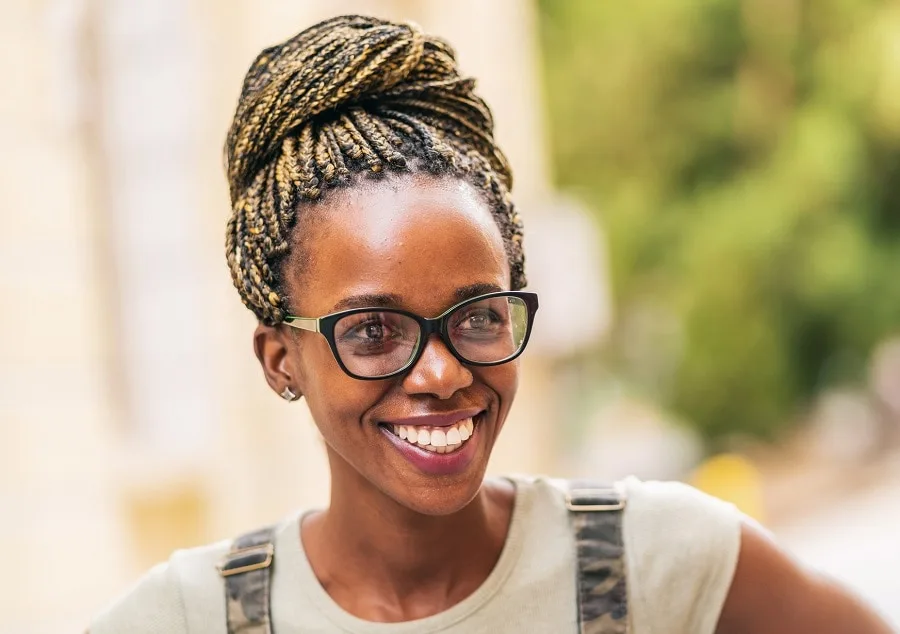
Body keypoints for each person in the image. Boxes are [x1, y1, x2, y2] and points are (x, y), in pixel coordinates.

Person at [89, 15, 894, 634]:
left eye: (477, 317)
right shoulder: (191, 618)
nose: (440, 373)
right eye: (374, 332)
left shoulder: (655, 563)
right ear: (280, 359)